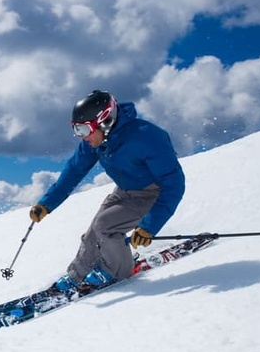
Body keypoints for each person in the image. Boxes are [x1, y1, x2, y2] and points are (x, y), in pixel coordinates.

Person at [29, 90, 185, 295]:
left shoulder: (147, 137)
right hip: (123, 191)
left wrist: (149, 225)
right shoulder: (97, 141)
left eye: (84, 129)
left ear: (105, 121)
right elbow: (74, 171)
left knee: (106, 227)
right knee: (92, 234)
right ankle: (78, 275)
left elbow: (174, 183)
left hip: (151, 193)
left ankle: (117, 272)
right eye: (76, 130)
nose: (81, 137)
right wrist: (47, 203)